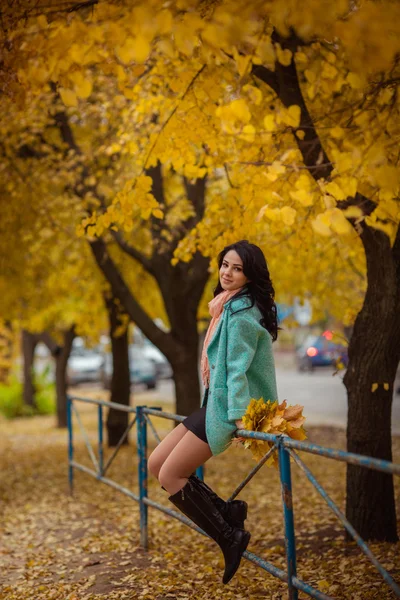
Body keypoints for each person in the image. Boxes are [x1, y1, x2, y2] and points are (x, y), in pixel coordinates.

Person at [148, 240, 279, 584]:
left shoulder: (239, 315)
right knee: (155, 464)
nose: (228, 273)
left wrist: (237, 417)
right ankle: (227, 512)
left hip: (226, 408)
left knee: (170, 476)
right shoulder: (226, 307)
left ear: (250, 276)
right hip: (214, 402)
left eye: (237, 268)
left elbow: (236, 370)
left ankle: (228, 535)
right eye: (225, 265)